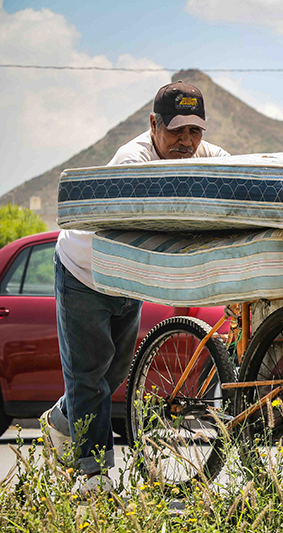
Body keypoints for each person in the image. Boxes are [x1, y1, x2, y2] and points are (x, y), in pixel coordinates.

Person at [41, 81, 230, 494]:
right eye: (177, 130)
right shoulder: (134, 162)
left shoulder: (200, 152)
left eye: (194, 131)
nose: (186, 142)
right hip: (85, 273)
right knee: (89, 375)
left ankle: (60, 419)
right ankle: (93, 478)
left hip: (128, 277)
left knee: (110, 374)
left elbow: (238, 170)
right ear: (153, 125)